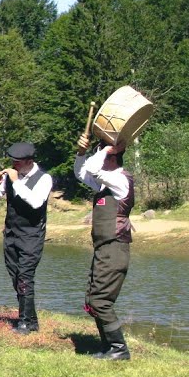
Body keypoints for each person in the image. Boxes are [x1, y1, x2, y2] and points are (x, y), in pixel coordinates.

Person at [75, 134, 135, 360]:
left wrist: (107, 149)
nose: (96, 158)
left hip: (114, 249)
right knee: (92, 300)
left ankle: (119, 349)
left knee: (101, 301)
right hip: (103, 250)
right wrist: (81, 153)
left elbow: (92, 166)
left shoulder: (120, 180)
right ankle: (108, 347)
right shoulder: (105, 183)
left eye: (102, 154)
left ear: (111, 157)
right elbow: (81, 172)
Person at [0, 141, 53, 335]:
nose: (13, 165)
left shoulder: (44, 178)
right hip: (11, 233)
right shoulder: (11, 178)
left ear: (29, 161)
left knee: (25, 277)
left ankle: (23, 323)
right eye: (12, 162)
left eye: (17, 162)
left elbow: (35, 202)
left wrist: (16, 181)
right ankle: (32, 321)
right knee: (16, 277)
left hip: (31, 236)